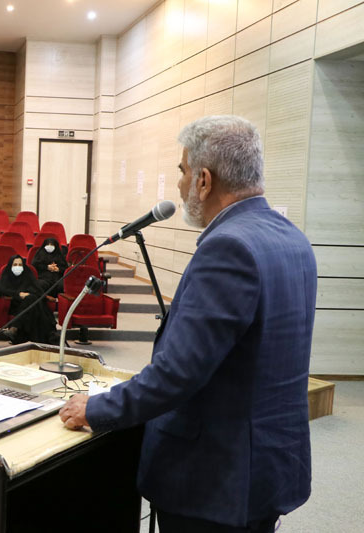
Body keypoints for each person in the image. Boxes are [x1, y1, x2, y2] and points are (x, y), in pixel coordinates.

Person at [58, 115, 317, 533]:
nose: (179, 186)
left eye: (182, 172)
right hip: (270, 466)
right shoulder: (293, 239)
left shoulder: (228, 247)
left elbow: (178, 373)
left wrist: (98, 408)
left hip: (216, 481)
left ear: (204, 180)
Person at [0, 255, 57, 344]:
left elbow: (38, 290)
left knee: (31, 298)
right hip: (16, 304)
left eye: (20, 265)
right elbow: (1, 290)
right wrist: (18, 294)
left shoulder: (27, 273)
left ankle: (15, 328)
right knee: (33, 301)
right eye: (15, 265)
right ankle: (48, 335)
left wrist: (28, 294)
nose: (18, 267)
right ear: (11, 265)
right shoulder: (7, 273)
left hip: (31, 304)